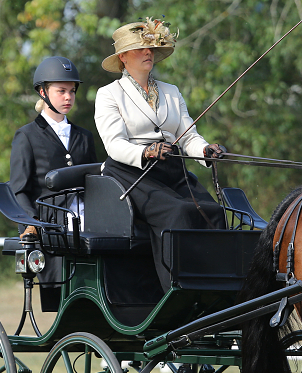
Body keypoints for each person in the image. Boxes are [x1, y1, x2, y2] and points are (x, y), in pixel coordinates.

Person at [94, 18, 228, 291]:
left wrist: (204, 150)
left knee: (214, 212)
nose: (148, 53)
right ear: (123, 57)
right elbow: (114, 144)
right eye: (141, 49)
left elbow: (188, 135)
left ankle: (218, 290)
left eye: (151, 49)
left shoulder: (171, 92)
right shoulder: (109, 95)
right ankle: (178, 291)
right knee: (179, 213)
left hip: (172, 169)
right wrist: (146, 152)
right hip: (131, 174)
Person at [10, 56, 97, 311]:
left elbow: (94, 183)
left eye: (71, 91)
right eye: (61, 91)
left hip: (86, 225)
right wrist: (30, 224)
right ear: (43, 92)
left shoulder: (84, 137)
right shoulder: (26, 136)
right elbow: (20, 189)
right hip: (49, 229)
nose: (68, 96)